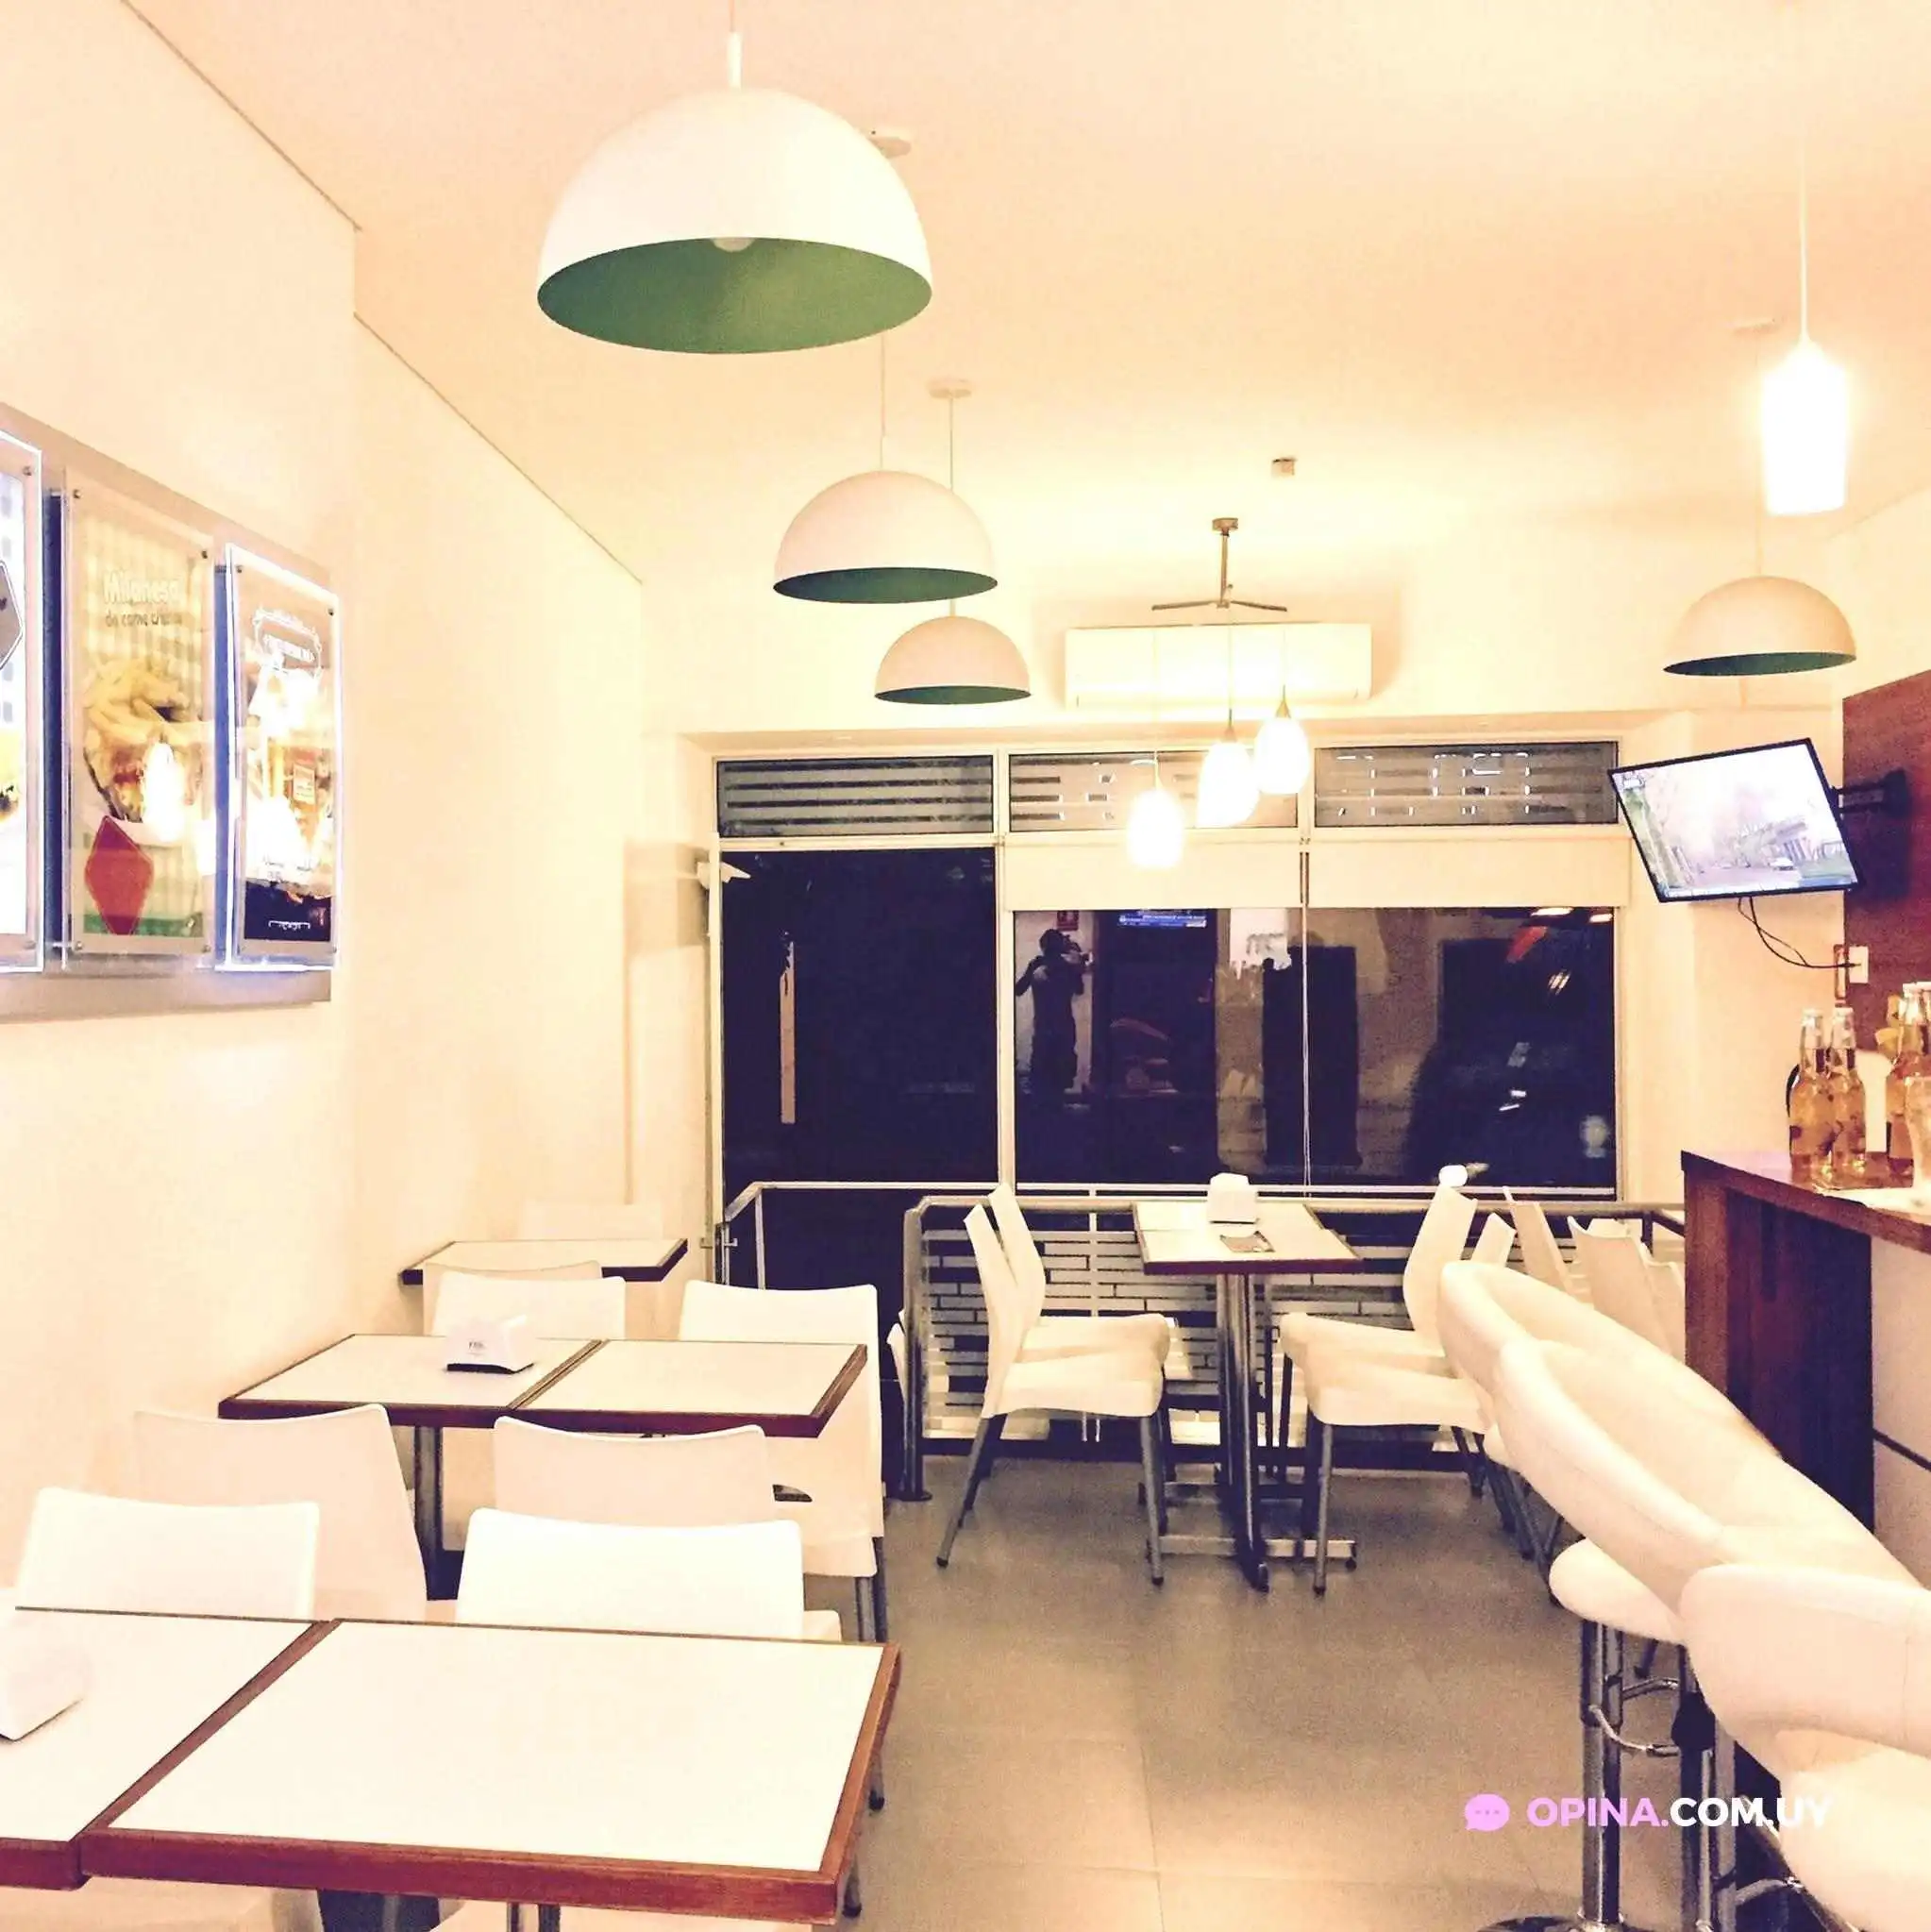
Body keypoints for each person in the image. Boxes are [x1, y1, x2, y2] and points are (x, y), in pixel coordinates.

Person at [1016, 928, 1086, 1094]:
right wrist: (1076, 965)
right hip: (1063, 1027)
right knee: (1059, 1077)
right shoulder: (1068, 967)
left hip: (1044, 1028)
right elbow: (1079, 990)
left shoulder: (1037, 965)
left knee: (1042, 1077)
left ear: (1043, 947)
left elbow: (1018, 990)